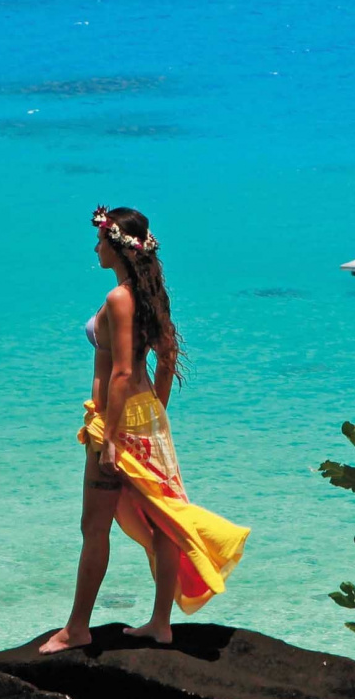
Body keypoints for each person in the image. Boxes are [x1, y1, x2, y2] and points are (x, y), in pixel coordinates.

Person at [40, 206, 249, 655]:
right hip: (146, 418)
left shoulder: (119, 299)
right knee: (163, 523)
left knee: (94, 527)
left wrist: (111, 437)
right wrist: (155, 411)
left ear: (116, 246)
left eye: (99, 241)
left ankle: (77, 628)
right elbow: (167, 358)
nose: (95, 248)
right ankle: (160, 624)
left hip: (114, 422)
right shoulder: (150, 295)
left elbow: (118, 374)